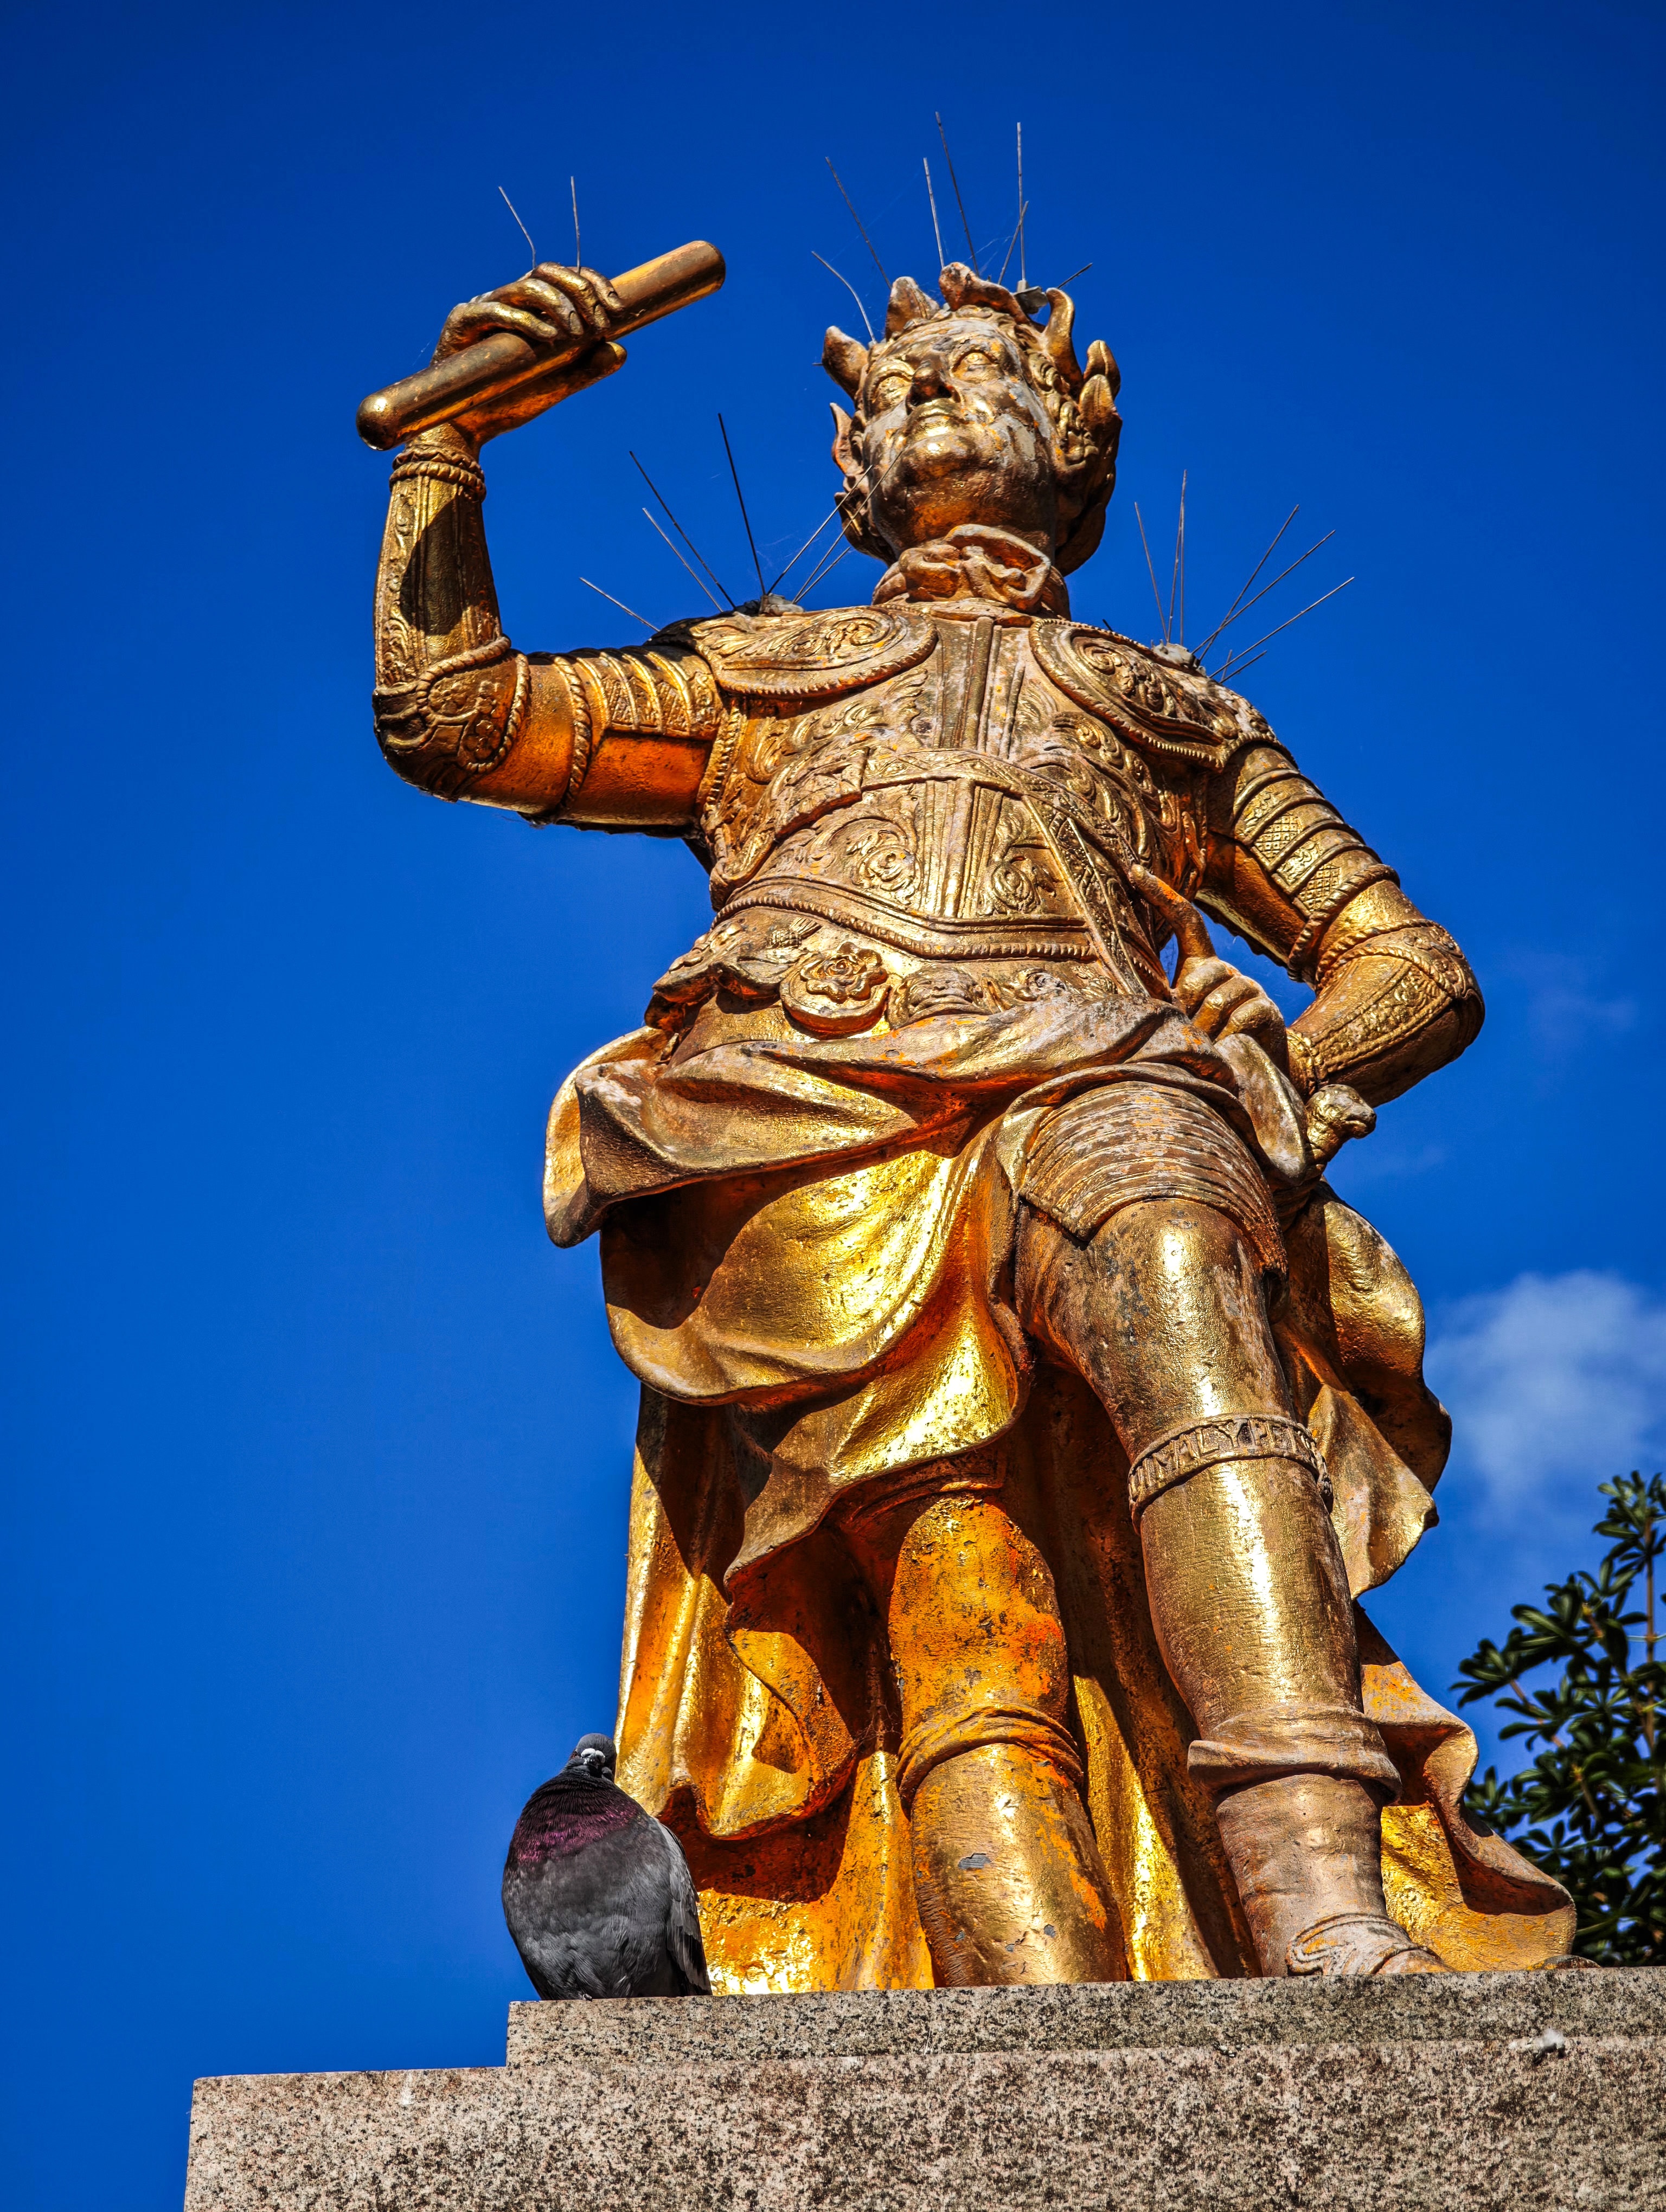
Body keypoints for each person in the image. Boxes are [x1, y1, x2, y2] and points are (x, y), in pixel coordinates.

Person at [369, 255, 1571, 1986]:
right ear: (853, 464)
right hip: (808, 1126)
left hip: (1104, 1066)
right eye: (895, 390)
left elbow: (1412, 963)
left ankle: (1327, 1915)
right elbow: (458, 718)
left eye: (979, 374)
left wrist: (1301, 1069)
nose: (930, 400)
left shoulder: (1176, 714)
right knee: (956, 1580)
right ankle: (1030, 2007)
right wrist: (453, 447)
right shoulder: (755, 674)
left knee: (1188, 1313)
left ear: (1076, 443)